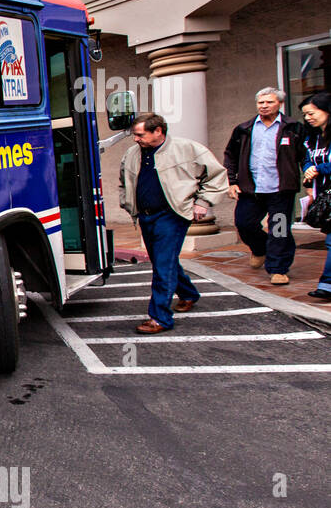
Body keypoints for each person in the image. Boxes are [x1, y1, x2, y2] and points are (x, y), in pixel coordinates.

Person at [119, 113, 227, 333]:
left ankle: (160, 318)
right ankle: (188, 293)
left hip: (172, 214)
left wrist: (203, 202)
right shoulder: (132, 154)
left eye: (140, 135)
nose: (135, 139)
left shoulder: (187, 149)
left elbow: (217, 175)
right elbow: (124, 181)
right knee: (164, 261)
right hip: (145, 215)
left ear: (158, 131)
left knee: (162, 265)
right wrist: (127, 202)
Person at [222, 87, 306, 285]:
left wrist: (308, 181)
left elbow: (304, 155)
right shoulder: (244, 129)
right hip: (251, 189)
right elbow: (230, 155)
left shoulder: (293, 127)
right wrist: (232, 181)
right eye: (261, 102)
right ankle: (260, 249)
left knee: (278, 229)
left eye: (269, 102)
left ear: (280, 104)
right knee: (244, 224)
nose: (264, 106)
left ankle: (278, 269)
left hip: (280, 189)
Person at [300, 91, 331, 300]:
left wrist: (320, 168)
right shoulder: (313, 138)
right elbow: (307, 159)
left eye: (311, 113)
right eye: (305, 115)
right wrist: (310, 168)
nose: (307, 118)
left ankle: (327, 284)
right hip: (325, 198)